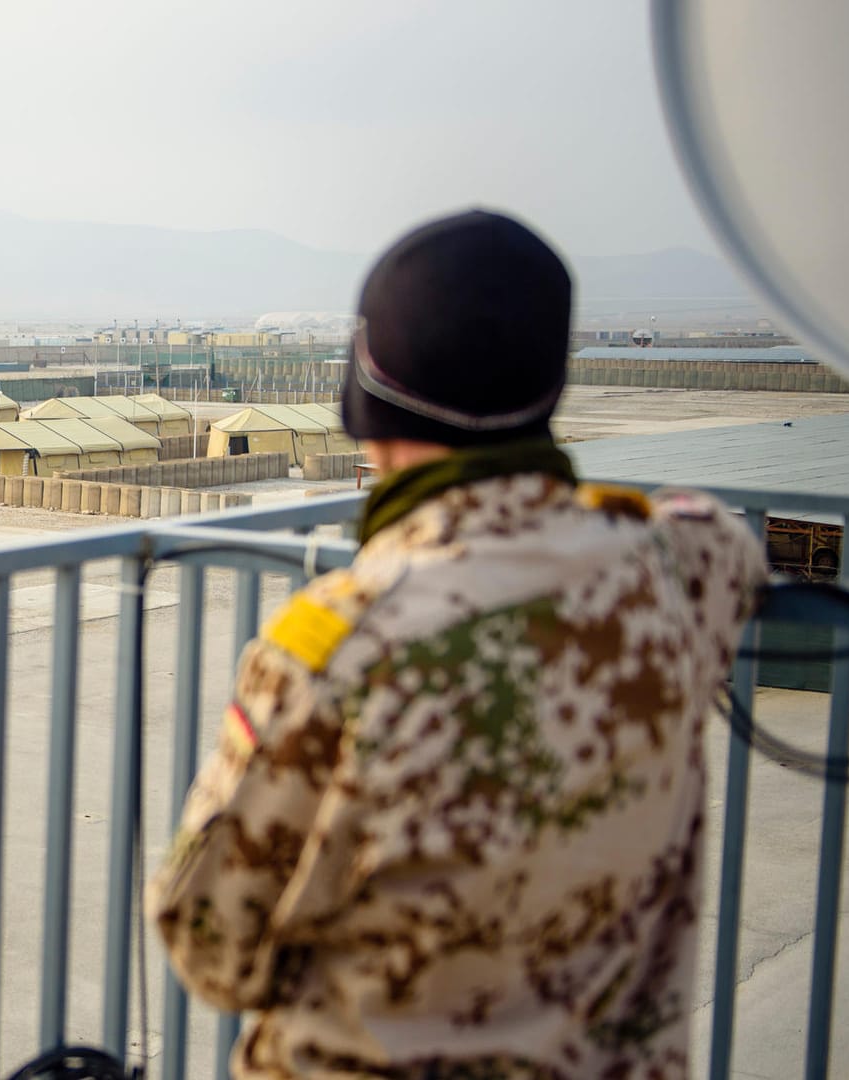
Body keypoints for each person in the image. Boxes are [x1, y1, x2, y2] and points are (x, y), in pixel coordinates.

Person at [148, 211, 765, 1078]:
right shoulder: (674, 570)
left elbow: (210, 947)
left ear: (367, 392)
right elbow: (716, 531)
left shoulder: (341, 650)